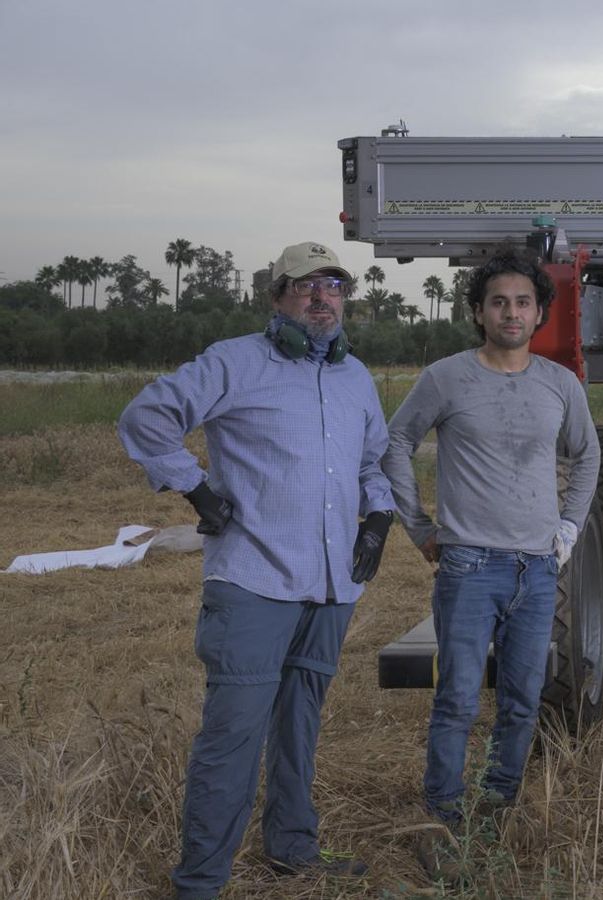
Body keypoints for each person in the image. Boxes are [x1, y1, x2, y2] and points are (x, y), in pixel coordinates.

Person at [118, 241, 395, 900]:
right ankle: (201, 883)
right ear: (278, 297)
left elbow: (371, 460)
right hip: (253, 581)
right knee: (233, 736)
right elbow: (146, 417)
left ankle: (292, 849)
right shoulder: (236, 362)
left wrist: (379, 519)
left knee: (300, 724)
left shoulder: (354, 378)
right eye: (306, 285)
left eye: (333, 285)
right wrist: (198, 490)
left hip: (331, 586)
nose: (322, 296)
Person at [381, 247, 598, 871]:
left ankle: (497, 807)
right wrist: (418, 525)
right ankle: (442, 820)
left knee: (523, 697)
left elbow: (586, 456)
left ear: (539, 315)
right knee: (457, 700)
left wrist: (568, 528)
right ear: (478, 312)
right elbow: (397, 440)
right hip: (469, 566)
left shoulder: (561, 385)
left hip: (538, 568)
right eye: (498, 302)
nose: (511, 312)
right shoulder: (447, 378)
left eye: (523, 302)